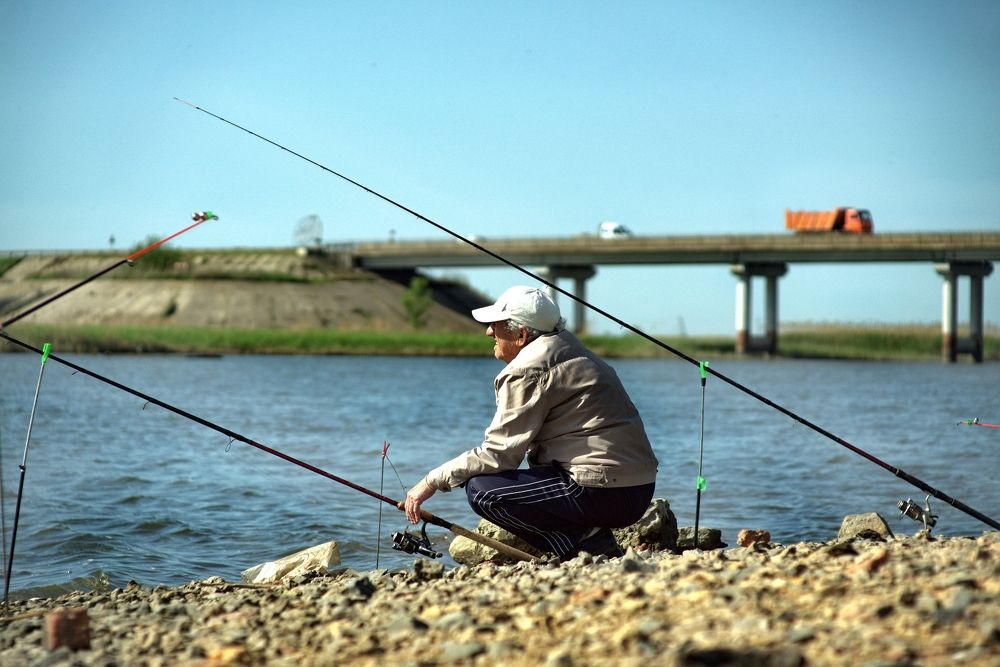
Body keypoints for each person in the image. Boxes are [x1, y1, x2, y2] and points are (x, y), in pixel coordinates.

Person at [404, 285, 658, 560]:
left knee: (482, 490)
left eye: (496, 325)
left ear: (521, 335)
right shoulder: (572, 348)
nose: (489, 332)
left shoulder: (527, 371)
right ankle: (588, 540)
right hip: (639, 491)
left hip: (601, 491)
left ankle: (587, 546)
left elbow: (498, 456)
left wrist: (430, 481)